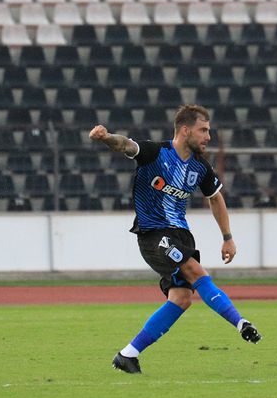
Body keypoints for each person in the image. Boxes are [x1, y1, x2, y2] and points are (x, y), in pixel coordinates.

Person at [89, 104, 261, 374]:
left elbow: (216, 198)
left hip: (180, 235)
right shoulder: (156, 152)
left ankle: (128, 354)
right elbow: (125, 145)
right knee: (194, 271)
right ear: (185, 129)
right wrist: (107, 137)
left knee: (181, 298)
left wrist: (227, 237)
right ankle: (241, 323)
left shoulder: (199, 167)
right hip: (153, 234)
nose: (208, 136)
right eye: (203, 130)